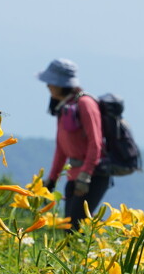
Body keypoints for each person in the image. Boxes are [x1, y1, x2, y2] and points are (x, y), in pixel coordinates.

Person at [37, 58, 110, 232]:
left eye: (51, 82)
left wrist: (86, 175)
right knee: (69, 228)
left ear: (62, 84)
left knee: (74, 229)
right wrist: (52, 179)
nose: (47, 86)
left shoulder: (85, 104)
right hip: (73, 175)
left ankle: (83, 259)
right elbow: (61, 148)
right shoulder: (64, 106)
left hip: (93, 176)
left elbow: (96, 142)